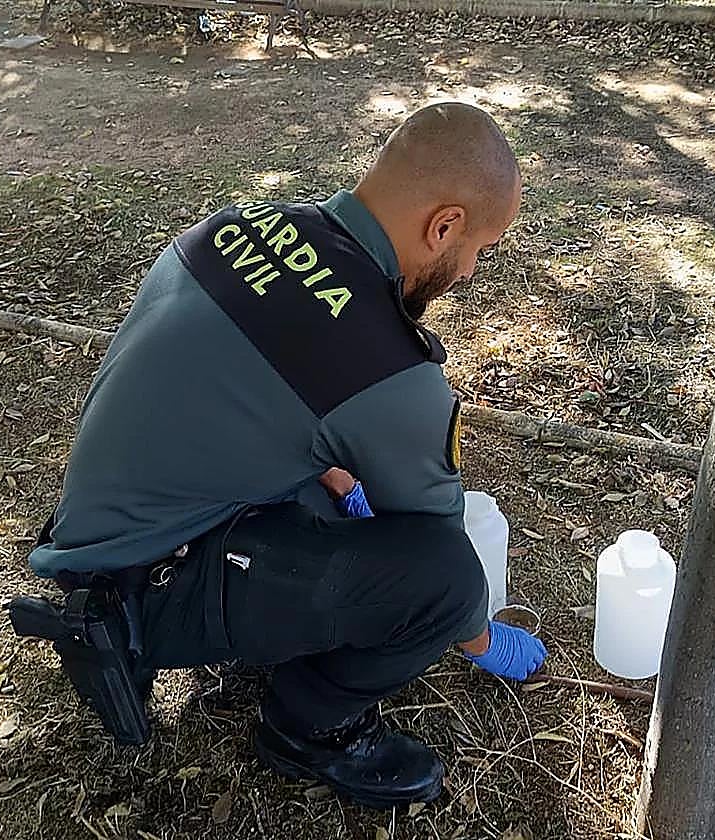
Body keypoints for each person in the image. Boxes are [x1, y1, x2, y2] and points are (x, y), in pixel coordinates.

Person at [27, 101, 547, 808]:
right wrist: (478, 637)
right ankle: (309, 729)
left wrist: (334, 473)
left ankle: (225, 609)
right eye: (480, 248)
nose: (471, 271)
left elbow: (238, 398)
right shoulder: (386, 366)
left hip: (100, 529)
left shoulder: (235, 225)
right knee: (448, 580)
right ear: (444, 225)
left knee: (333, 496)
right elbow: (430, 536)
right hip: (144, 586)